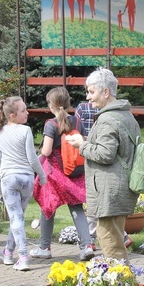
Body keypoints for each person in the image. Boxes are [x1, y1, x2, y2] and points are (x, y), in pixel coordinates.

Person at [66, 68, 140, 261]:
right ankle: (122, 284)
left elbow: (105, 154)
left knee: (110, 242)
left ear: (106, 92)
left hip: (110, 189)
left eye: (91, 92)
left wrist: (82, 145)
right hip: (119, 187)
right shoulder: (125, 115)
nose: (88, 97)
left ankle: (120, 285)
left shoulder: (108, 119)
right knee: (113, 238)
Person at [31, 87, 93, 261]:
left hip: (54, 173)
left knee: (47, 207)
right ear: (67, 103)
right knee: (76, 207)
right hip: (73, 172)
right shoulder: (77, 122)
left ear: (52, 105)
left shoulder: (51, 124)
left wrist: (34, 164)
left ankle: (44, 247)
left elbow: (47, 150)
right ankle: (86, 245)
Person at [0, 97, 46, 271]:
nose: (27, 112)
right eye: (23, 110)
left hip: (9, 177)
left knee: (16, 218)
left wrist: (3, 169)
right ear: (13, 115)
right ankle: (8, 252)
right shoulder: (25, 131)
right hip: (27, 178)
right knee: (18, 217)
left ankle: (22, 256)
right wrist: (42, 176)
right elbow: (32, 158)